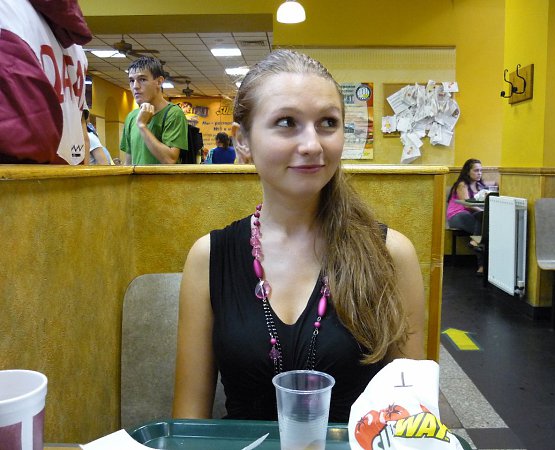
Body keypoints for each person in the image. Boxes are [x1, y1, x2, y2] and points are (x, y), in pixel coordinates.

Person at [173, 50, 425, 423]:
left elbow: (409, 420)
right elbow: (188, 422)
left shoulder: (390, 253)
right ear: (243, 141)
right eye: (287, 122)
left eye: (327, 123)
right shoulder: (209, 257)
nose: (312, 144)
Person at [0, 0, 91, 164]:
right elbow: (82, 130)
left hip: (20, 173)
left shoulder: (6, 13)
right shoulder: (76, 48)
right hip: (65, 171)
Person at [120, 56, 188, 164]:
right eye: (132, 80)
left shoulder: (173, 113)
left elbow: (170, 160)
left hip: (163, 176)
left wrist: (142, 126)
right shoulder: (132, 116)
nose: (135, 86)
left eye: (142, 79)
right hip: (137, 176)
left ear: (159, 82)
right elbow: (128, 162)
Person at [446, 158, 488, 273]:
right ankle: (482, 266)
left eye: (481, 170)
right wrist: (484, 213)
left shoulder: (480, 186)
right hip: (457, 215)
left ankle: (475, 245)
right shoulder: (462, 185)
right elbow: (467, 205)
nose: (479, 173)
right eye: (476, 170)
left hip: (472, 215)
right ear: (468, 172)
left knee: (483, 228)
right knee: (484, 226)